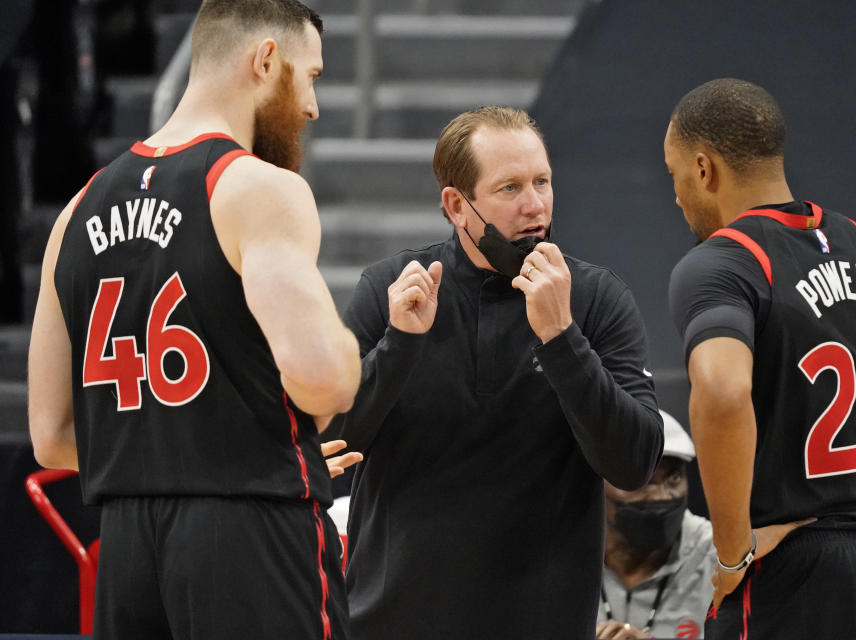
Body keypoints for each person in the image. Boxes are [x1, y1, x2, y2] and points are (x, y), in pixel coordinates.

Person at [27, 1, 362, 638]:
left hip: (127, 547)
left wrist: (193, 448)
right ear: (266, 60)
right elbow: (322, 378)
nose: (314, 107)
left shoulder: (75, 209)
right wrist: (250, 451)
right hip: (251, 537)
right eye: (311, 76)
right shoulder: (255, 187)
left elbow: (50, 434)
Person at [326, 105, 664, 639]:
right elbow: (327, 447)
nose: (536, 206)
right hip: (394, 625)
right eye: (509, 188)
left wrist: (562, 339)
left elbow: (635, 463)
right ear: (457, 206)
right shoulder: (391, 288)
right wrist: (399, 348)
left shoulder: (596, 299)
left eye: (543, 181)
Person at [665, 77, 856, 639]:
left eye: (674, 174)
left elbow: (724, 394)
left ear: (703, 169)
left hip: (801, 571)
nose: (676, 195)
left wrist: (730, 554)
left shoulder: (721, 265)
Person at [596, 410, 714, 640]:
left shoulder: (721, 559)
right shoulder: (560, 558)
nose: (660, 496)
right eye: (641, 479)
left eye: (674, 478)